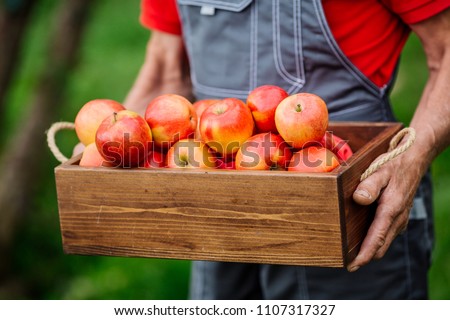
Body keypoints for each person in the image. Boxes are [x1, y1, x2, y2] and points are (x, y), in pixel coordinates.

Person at [124, 0, 450, 299]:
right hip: (214, 197)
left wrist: (412, 157)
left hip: (348, 194)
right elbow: (164, 69)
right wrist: (106, 147)